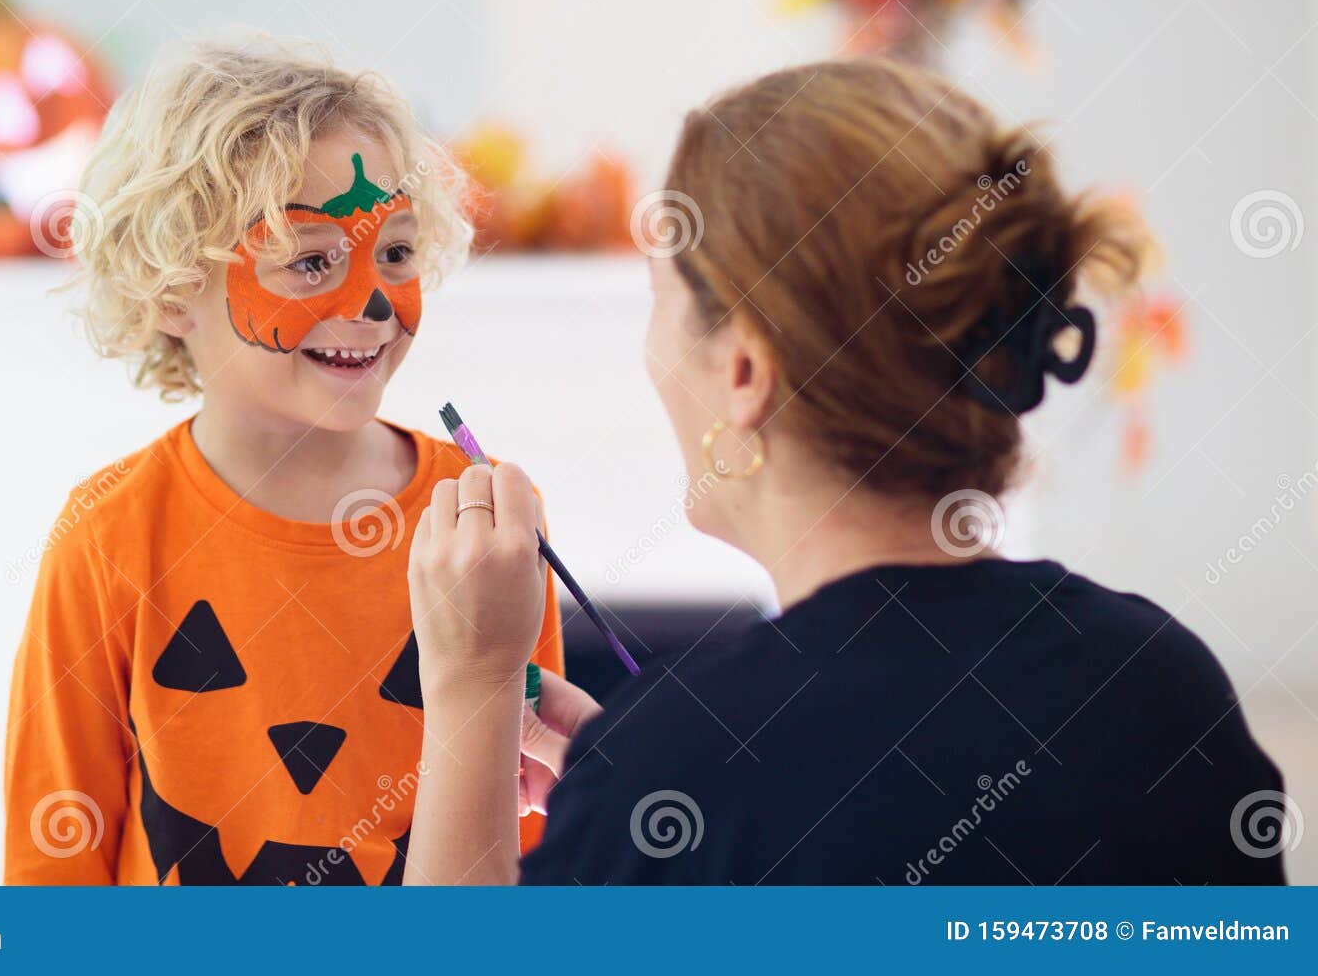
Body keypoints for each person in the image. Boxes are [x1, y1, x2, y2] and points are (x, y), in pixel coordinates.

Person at [404, 58, 1287, 885]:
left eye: (660, 302)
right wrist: (636, 800)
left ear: (745, 371)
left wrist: (475, 695)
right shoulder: (1162, 688)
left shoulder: (670, 775)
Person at [2, 35, 564, 885]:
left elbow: (525, 841)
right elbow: (52, 865)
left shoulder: (475, 528)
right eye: (309, 261)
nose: (373, 301)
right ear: (168, 292)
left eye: (397, 253)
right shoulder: (107, 537)